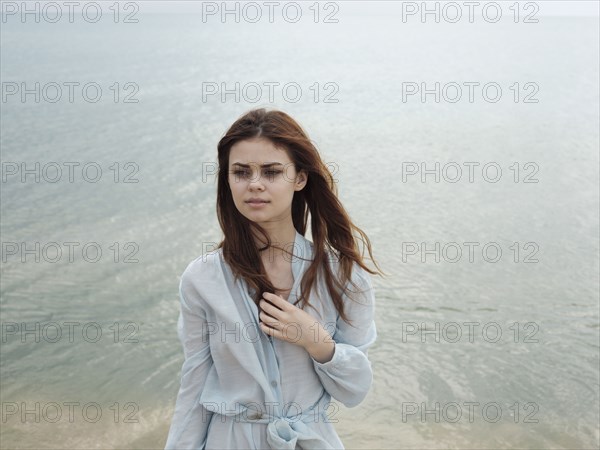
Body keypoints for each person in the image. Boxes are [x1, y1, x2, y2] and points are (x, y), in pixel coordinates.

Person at [164, 108, 384, 449]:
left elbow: (355, 389)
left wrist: (316, 340)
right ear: (228, 179)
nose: (255, 184)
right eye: (241, 172)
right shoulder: (202, 279)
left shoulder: (343, 276)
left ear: (299, 178)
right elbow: (193, 386)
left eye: (271, 171)